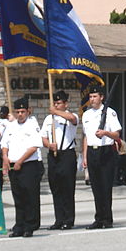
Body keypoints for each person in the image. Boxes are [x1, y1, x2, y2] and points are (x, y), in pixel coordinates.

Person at [82, 84, 122, 229]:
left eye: (95, 96)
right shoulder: (86, 114)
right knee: (96, 187)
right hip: (92, 152)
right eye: (90, 96)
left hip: (105, 152)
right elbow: (86, 137)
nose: (92, 99)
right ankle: (98, 218)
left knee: (105, 187)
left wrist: (105, 133)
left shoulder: (110, 113)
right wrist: (85, 156)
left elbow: (117, 134)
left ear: (101, 97)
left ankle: (107, 219)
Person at [3, 97, 44, 238]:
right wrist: (5, 157)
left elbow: (33, 147)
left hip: (28, 165)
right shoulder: (11, 126)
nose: (20, 114)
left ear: (28, 111)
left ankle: (29, 226)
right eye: (17, 111)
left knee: (29, 196)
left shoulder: (32, 125)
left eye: (22, 111)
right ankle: (18, 225)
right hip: (13, 165)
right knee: (18, 196)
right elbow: (5, 144)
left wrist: (20, 160)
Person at [41, 90, 79, 230]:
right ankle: (59, 219)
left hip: (67, 155)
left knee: (67, 188)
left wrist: (55, 112)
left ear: (65, 104)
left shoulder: (70, 116)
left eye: (59, 103)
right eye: (55, 103)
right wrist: (49, 145)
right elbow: (43, 137)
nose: (56, 105)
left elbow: (73, 119)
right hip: (53, 155)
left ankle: (68, 219)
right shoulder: (48, 119)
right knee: (55, 188)